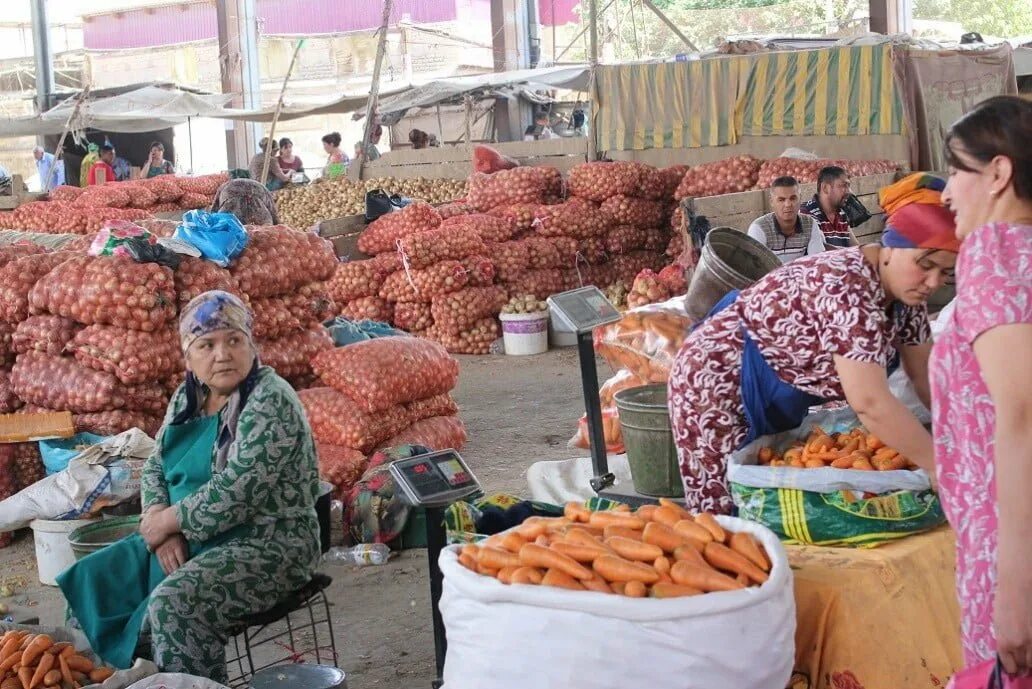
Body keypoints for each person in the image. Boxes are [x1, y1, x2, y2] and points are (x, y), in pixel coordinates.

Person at [57, 291, 321, 682]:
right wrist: (157, 526)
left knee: (175, 605)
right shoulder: (188, 397)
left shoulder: (270, 399)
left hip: (271, 543)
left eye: (234, 340)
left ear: (252, 345)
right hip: (188, 535)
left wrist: (169, 523)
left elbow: (239, 491)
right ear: (189, 357)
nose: (223, 354)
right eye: (207, 345)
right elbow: (155, 466)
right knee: (92, 587)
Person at [668, 172, 959, 513]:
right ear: (891, 247)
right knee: (727, 518)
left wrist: (959, 439)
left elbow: (925, 375)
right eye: (925, 265)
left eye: (945, 273)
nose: (933, 282)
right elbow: (870, 402)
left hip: (770, 389)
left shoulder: (906, 299)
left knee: (769, 511)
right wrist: (940, 466)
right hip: (714, 378)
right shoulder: (850, 287)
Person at [932, 95, 1032, 677]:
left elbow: (1021, 416)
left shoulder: (995, 250)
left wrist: (1015, 590)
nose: (946, 193)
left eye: (954, 170)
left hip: (1008, 543)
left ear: (999, 173)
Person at [747, 176, 827, 263]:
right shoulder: (759, 228)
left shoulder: (810, 224)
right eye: (781, 200)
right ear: (771, 202)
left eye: (793, 198)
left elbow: (817, 262)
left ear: (800, 198)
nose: (788, 204)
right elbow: (755, 268)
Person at [801, 166, 857, 248]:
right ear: (825, 188)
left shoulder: (841, 214)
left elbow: (855, 246)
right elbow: (821, 250)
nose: (849, 192)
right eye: (843, 186)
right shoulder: (808, 214)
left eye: (848, 186)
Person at [210, 178, 280, 226]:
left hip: (231, 194)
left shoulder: (224, 186)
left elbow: (213, 213)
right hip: (256, 192)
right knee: (263, 232)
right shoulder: (264, 190)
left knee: (228, 228)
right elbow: (274, 215)